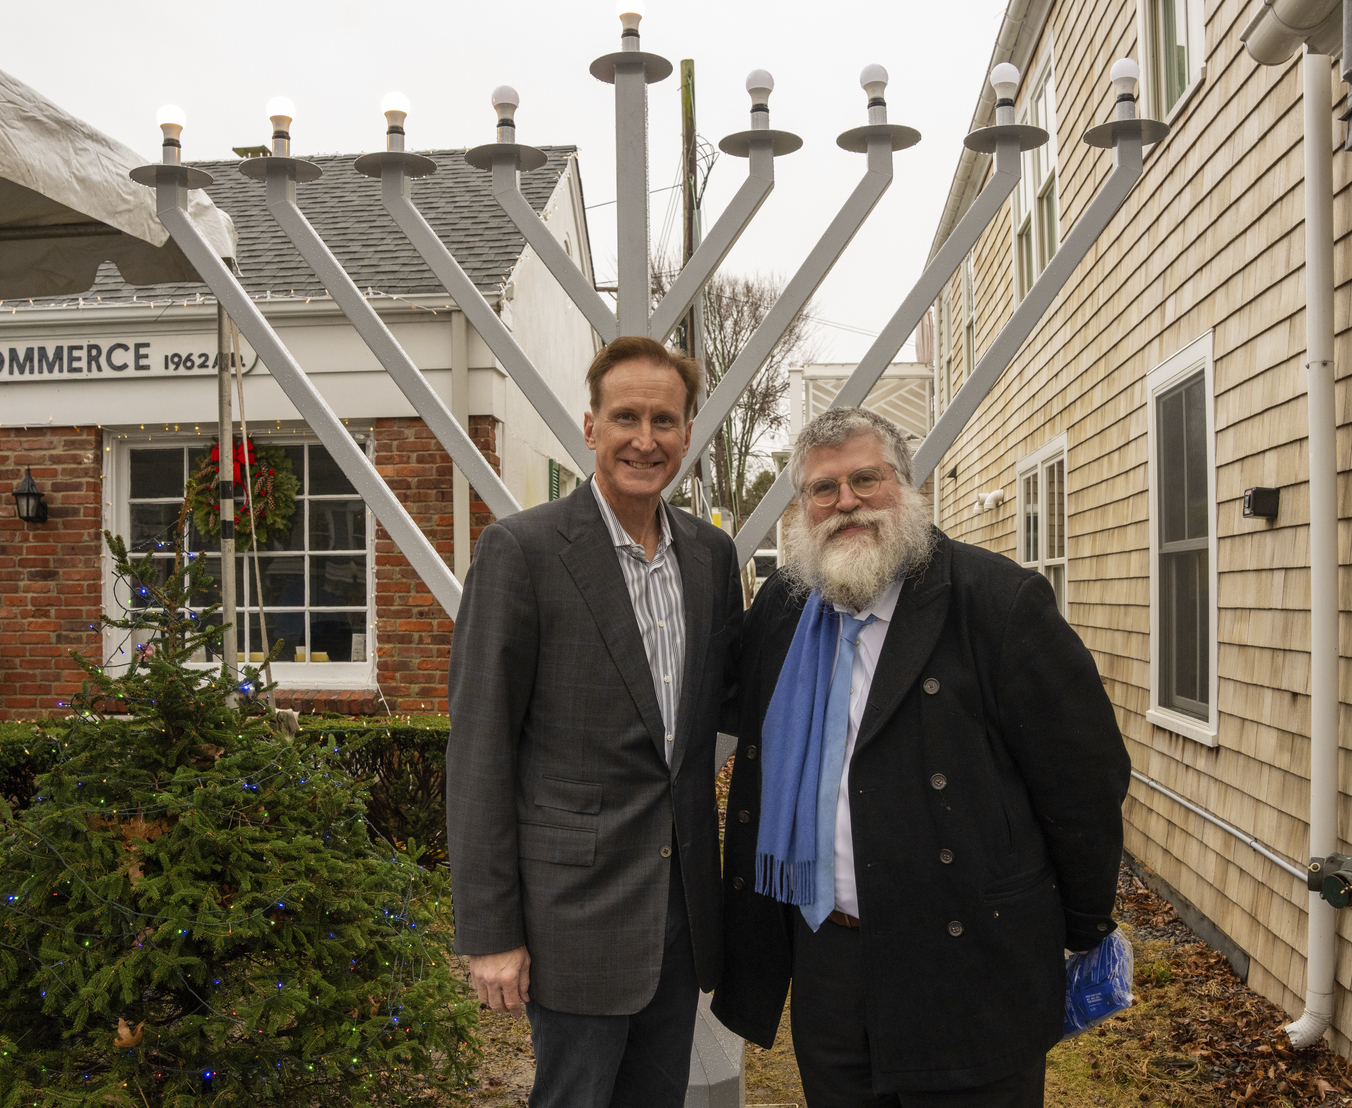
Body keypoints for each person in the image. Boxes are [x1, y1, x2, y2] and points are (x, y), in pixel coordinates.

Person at [712, 406, 1130, 1108]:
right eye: (822, 488)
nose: (845, 502)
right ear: (802, 508)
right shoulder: (783, 615)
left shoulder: (997, 603)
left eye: (865, 479)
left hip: (969, 962)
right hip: (831, 960)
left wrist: (1082, 927)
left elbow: (1083, 779)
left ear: (905, 486)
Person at [447, 335, 743, 1108]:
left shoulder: (712, 557)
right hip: (572, 920)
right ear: (590, 427)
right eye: (626, 417)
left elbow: (723, 715)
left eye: (666, 421)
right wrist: (490, 932)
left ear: (687, 433)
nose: (646, 439)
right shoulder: (524, 550)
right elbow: (479, 750)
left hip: (681, 918)